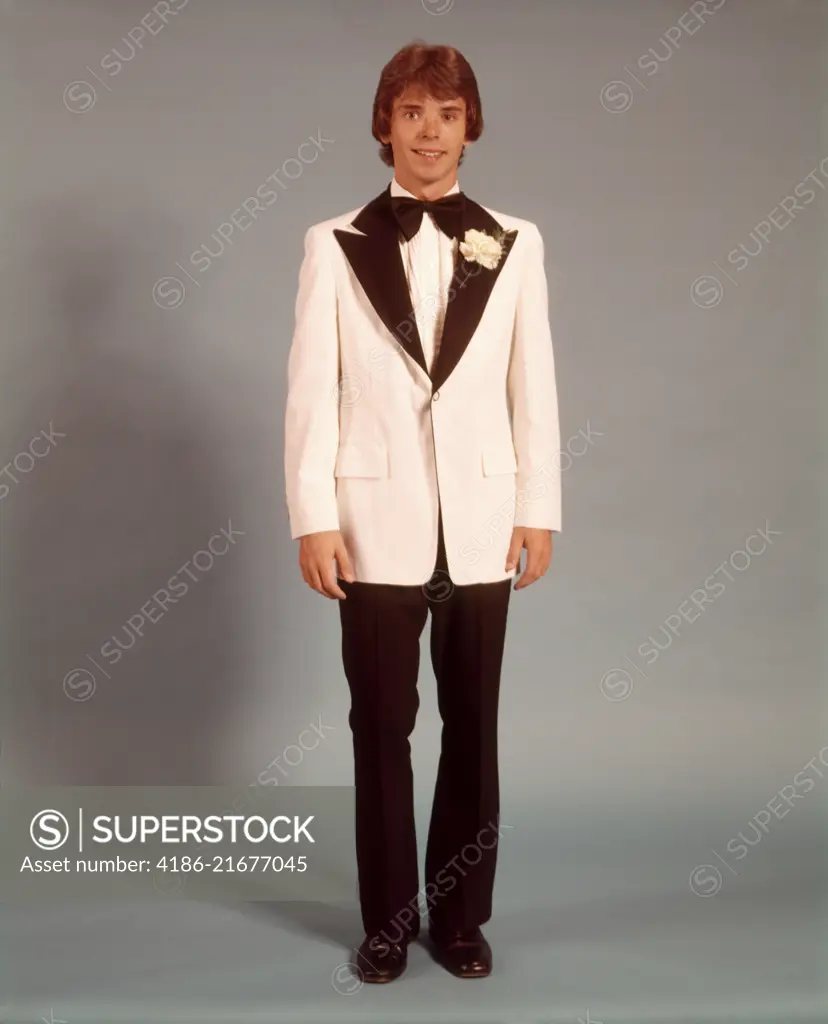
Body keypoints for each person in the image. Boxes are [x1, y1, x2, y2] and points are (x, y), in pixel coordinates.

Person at [284, 40, 561, 983]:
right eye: (411, 113)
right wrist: (312, 516)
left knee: (474, 727)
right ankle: (389, 921)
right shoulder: (332, 243)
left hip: (485, 521)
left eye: (446, 114)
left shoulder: (517, 241)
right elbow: (311, 395)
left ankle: (461, 919)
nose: (429, 132)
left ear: (469, 128)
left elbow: (537, 388)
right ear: (384, 127)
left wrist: (540, 507)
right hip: (371, 524)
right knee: (381, 729)